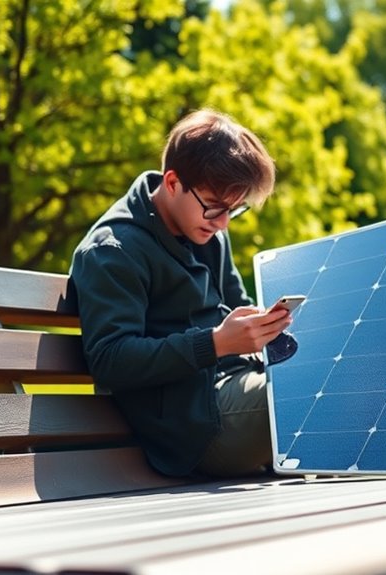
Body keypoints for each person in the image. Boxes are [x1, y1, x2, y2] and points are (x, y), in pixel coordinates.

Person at [70, 109, 293, 478]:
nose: (222, 223)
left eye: (233, 210)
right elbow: (110, 359)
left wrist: (262, 326)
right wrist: (215, 343)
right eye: (214, 207)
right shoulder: (113, 250)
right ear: (173, 183)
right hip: (195, 427)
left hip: (234, 385)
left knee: (331, 370)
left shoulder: (207, 232)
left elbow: (236, 306)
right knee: (313, 394)